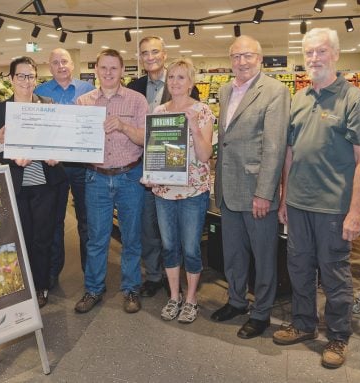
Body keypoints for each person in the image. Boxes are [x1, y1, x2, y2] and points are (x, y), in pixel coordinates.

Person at [272, 28, 360, 369]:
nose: (314, 58)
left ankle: (339, 336)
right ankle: (303, 323)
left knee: (334, 274)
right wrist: (285, 198)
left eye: (321, 51)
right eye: (309, 52)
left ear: (335, 55)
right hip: (298, 205)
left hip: (333, 208)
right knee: (299, 268)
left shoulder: (353, 99)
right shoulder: (298, 99)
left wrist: (355, 212)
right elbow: (289, 154)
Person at [212, 36, 290, 339]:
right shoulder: (224, 90)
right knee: (233, 253)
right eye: (235, 56)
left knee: (263, 255)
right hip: (228, 189)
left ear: (260, 57)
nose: (241, 62)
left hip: (256, 190)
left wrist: (264, 192)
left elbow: (274, 147)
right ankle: (235, 300)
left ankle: (261, 313)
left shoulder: (275, 91)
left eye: (247, 56)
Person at [74, 49, 148, 314]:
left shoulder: (137, 100)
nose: (108, 73)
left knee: (131, 237)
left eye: (113, 68)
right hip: (96, 177)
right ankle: (93, 289)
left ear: (122, 71)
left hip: (130, 176)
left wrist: (123, 126)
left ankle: (131, 289)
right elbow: (75, 140)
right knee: (96, 238)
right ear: (96, 69)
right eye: (103, 68)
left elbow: (145, 139)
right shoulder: (83, 102)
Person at [0, 57, 66, 308]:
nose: (26, 81)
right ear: (11, 79)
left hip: (45, 183)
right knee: (20, 236)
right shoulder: (1, 110)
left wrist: (57, 155)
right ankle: (22, 286)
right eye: (21, 76)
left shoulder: (48, 104)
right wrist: (12, 158)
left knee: (43, 238)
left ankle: (41, 285)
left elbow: (57, 140)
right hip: (16, 184)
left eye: (31, 76)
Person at [128, 36, 200, 298]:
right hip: (146, 165)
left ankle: (180, 283)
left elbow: (195, 133)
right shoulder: (134, 86)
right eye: (144, 53)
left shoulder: (179, 83)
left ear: (164, 53)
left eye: (155, 51)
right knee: (150, 227)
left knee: (180, 232)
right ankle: (155, 276)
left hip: (178, 170)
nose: (150, 57)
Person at [151, 59, 214, 323]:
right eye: (172, 77)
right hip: (163, 191)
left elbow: (205, 154)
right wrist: (150, 174)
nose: (176, 82)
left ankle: (191, 299)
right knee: (169, 246)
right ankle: (174, 296)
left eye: (181, 78)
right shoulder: (158, 110)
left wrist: (194, 127)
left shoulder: (203, 112)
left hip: (192, 192)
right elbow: (154, 151)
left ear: (191, 82)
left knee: (190, 248)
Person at [34, 48, 95, 287]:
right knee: (54, 221)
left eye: (65, 61)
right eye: (56, 62)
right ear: (49, 66)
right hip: (52, 167)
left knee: (86, 220)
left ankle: (90, 272)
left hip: (82, 167)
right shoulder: (40, 92)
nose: (61, 66)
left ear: (72, 64)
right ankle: (52, 273)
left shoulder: (88, 91)